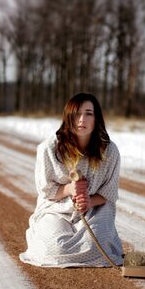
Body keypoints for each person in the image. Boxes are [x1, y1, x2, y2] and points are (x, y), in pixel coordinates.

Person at [19, 93, 123, 267]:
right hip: (56, 207)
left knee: (98, 247)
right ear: (68, 117)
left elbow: (109, 193)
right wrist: (69, 189)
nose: (82, 119)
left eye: (88, 113)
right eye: (76, 114)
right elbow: (47, 191)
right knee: (55, 249)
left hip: (95, 208)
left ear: (96, 118)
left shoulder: (110, 151)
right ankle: (40, 236)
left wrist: (89, 201)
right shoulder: (49, 149)